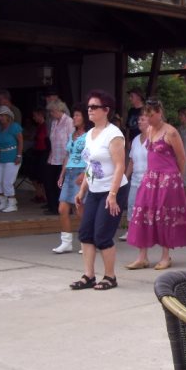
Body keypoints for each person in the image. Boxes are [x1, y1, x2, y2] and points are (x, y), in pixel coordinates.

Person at [69, 90, 129, 291]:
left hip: (113, 190)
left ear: (106, 110)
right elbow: (90, 166)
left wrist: (112, 195)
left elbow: (120, 166)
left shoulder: (114, 134)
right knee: (86, 233)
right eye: (89, 107)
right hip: (94, 190)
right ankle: (89, 276)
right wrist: (82, 191)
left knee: (102, 235)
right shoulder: (89, 135)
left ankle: (110, 277)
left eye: (94, 107)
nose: (90, 110)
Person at [126, 99, 186, 270]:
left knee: (165, 216)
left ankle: (165, 256)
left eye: (151, 115)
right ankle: (142, 257)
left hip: (168, 178)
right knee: (142, 213)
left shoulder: (171, 132)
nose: (148, 119)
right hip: (150, 177)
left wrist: (175, 178)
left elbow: (182, 158)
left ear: (159, 113)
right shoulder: (149, 130)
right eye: (146, 115)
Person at [53, 105, 90, 253]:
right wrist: (62, 174)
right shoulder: (72, 135)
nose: (74, 118)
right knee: (62, 208)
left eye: (77, 115)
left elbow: (92, 156)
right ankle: (66, 242)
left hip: (81, 171)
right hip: (69, 173)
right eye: (74, 115)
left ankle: (86, 241)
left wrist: (85, 173)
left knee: (80, 209)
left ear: (84, 118)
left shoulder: (89, 135)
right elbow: (68, 155)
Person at [118, 113, 149, 242]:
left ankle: (147, 231)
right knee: (131, 204)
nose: (139, 122)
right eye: (138, 119)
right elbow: (131, 161)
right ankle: (131, 230)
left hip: (149, 180)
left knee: (147, 206)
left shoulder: (154, 139)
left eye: (142, 119)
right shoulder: (135, 140)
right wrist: (125, 177)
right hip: (136, 178)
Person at [44, 99, 74, 215]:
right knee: (49, 182)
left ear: (58, 110)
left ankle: (64, 208)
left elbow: (71, 140)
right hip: (53, 157)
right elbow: (52, 140)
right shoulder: (54, 123)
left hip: (64, 158)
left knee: (61, 184)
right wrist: (50, 156)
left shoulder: (69, 122)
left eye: (52, 111)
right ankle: (53, 206)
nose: (51, 114)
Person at [0, 105, 23, 213]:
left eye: (3, 115)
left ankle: (12, 203)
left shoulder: (14, 126)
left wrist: (19, 155)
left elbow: (20, 141)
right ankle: (3, 202)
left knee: (7, 182)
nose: (0, 117)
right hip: (1, 156)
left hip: (12, 156)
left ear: (8, 116)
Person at [23, 107, 49, 204]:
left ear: (40, 115)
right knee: (33, 175)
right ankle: (39, 194)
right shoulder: (39, 126)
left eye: (35, 116)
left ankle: (44, 196)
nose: (34, 118)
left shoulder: (46, 126)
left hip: (43, 152)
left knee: (41, 176)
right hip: (37, 151)